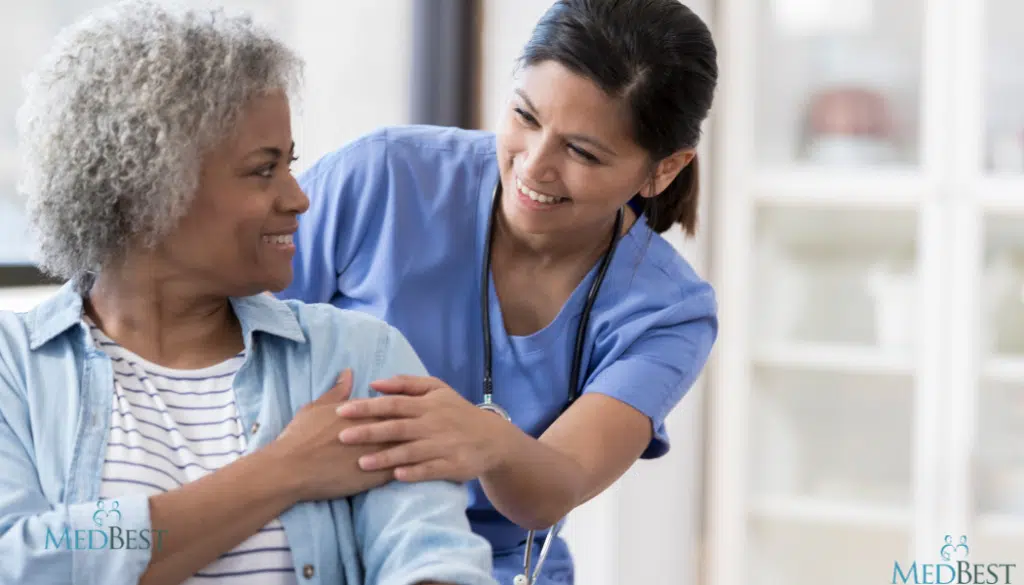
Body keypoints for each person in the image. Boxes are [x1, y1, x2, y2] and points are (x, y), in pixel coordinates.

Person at [0, 3, 497, 585]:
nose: (298, 197)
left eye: (290, 164)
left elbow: (433, 558)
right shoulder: (16, 369)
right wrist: (282, 471)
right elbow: (24, 557)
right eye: (263, 170)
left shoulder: (357, 358)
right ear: (146, 191)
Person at [276, 0, 720, 583]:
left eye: (582, 152)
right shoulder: (385, 176)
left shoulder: (669, 312)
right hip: (310, 538)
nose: (534, 167)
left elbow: (551, 491)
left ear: (664, 169)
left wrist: (490, 443)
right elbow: (228, 328)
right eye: (525, 117)